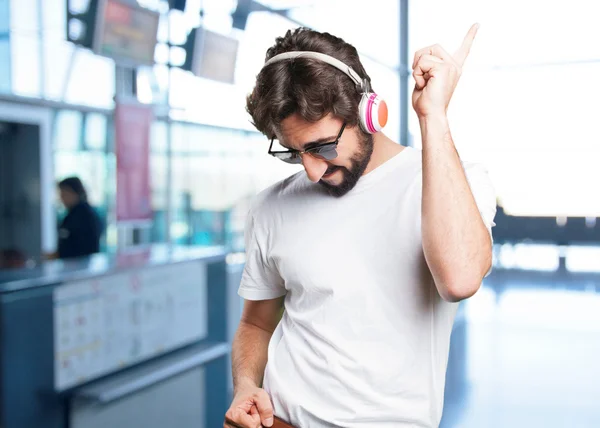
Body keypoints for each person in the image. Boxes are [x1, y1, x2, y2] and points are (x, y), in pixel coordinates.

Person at [225, 25, 496, 428]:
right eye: (293, 153)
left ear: (368, 111)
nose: (312, 171)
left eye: (322, 147)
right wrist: (245, 384)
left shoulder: (451, 184)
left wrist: (433, 115)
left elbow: (459, 280)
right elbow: (256, 322)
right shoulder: (272, 206)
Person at [55, 177, 103, 259]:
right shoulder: (71, 215)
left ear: (75, 193)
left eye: (64, 193)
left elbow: (82, 248)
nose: (61, 198)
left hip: (80, 266)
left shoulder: (84, 216)